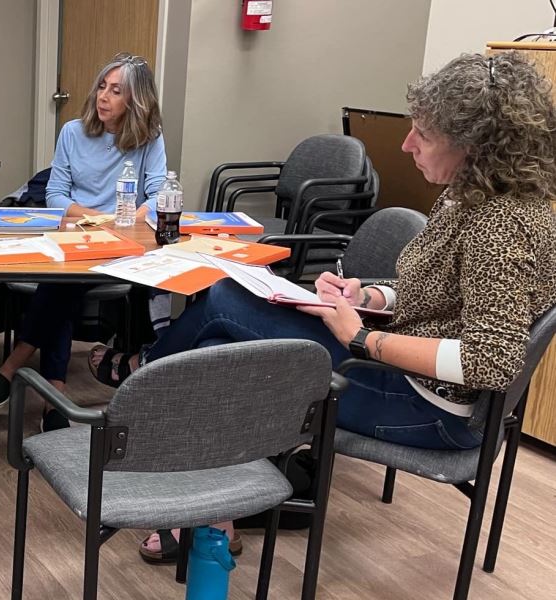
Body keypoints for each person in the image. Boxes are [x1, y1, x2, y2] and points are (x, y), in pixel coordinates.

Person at [91, 51, 556, 564]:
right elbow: (439, 298)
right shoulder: (470, 197)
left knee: (224, 301)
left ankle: (142, 399)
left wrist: (361, 336)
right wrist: (368, 297)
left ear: (472, 146)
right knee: (226, 339)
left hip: (427, 408)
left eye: (423, 134)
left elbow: (491, 360)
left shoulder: (501, 226)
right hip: (399, 372)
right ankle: (212, 505)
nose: (406, 144)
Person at [0, 53, 168, 431]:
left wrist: (126, 220)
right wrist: (93, 218)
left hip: (121, 244)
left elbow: (159, 194)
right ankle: (53, 397)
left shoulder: (149, 138)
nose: (102, 96)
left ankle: (14, 365)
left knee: (61, 285)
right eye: (101, 86)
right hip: (75, 235)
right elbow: (56, 194)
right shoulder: (72, 132)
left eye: (116, 91)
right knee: (64, 283)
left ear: (136, 100)